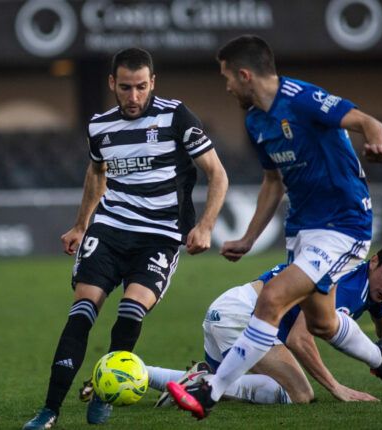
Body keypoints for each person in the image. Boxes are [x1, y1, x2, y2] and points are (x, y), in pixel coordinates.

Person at [168, 35, 382, 420]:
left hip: (345, 225)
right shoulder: (256, 120)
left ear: (245, 75)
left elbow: (366, 122)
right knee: (323, 323)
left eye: (227, 77)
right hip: (302, 229)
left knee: (272, 297)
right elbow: (273, 182)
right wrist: (248, 238)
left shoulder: (300, 97)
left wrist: (377, 143)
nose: (225, 86)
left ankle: (211, 390)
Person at [22, 47, 228, 429]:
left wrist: (206, 226)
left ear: (153, 83)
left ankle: (105, 392)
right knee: (82, 312)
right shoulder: (100, 126)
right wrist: (81, 224)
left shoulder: (175, 116)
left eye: (141, 87)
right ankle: (49, 409)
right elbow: (96, 173)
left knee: (131, 311)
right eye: (126, 88)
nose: (134, 97)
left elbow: (217, 173)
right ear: (112, 84)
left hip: (160, 237)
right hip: (110, 229)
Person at [152, 236, 382, 406]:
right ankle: (205, 381)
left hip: (228, 310)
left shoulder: (370, 286)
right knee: (299, 393)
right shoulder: (345, 285)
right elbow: (299, 338)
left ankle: (146, 373)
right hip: (242, 318)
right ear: (374, 261)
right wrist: (336, 387)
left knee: (242, 384)